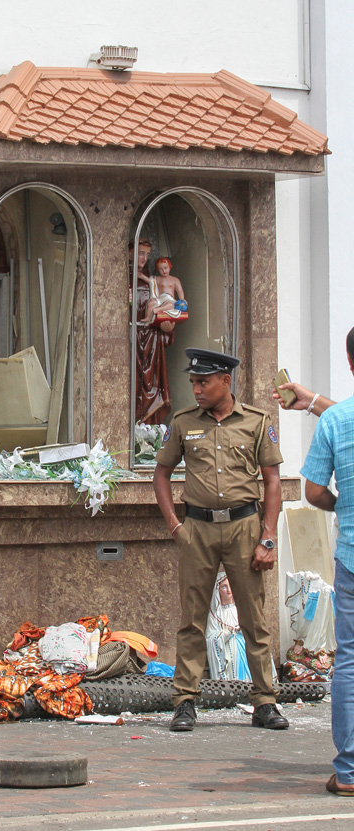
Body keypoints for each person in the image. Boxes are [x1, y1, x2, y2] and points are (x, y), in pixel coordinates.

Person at [153, 347, 288, 732]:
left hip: (245, 527)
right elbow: (161, 474)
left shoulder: (256, 422)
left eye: (204, 382)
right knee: (192, 618)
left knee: (253, 618)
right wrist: (174, 526)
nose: (196, 389)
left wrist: (268, 538)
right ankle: (185, 701)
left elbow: (272, 482)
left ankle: (265, 702)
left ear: (225, 381)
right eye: (193, 382)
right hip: (197, 528)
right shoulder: (183, 422)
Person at [282, 328, 354, 796]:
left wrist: (341, 505)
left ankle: (349, 772)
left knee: (349, 661)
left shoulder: (337, 421)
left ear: (349, 362)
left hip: (352, 555)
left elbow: (311, 491)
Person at [130, 240, 178, 425]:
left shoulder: (154, 281)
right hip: (132, 339)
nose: (144, 258)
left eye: (147, 255)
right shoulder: (122, 279)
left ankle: (150, 430)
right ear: (130, 253)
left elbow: (167, 308)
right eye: (140, 253)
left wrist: (168, 328)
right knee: (133, 384)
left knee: (152, 385)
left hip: (153, 339)